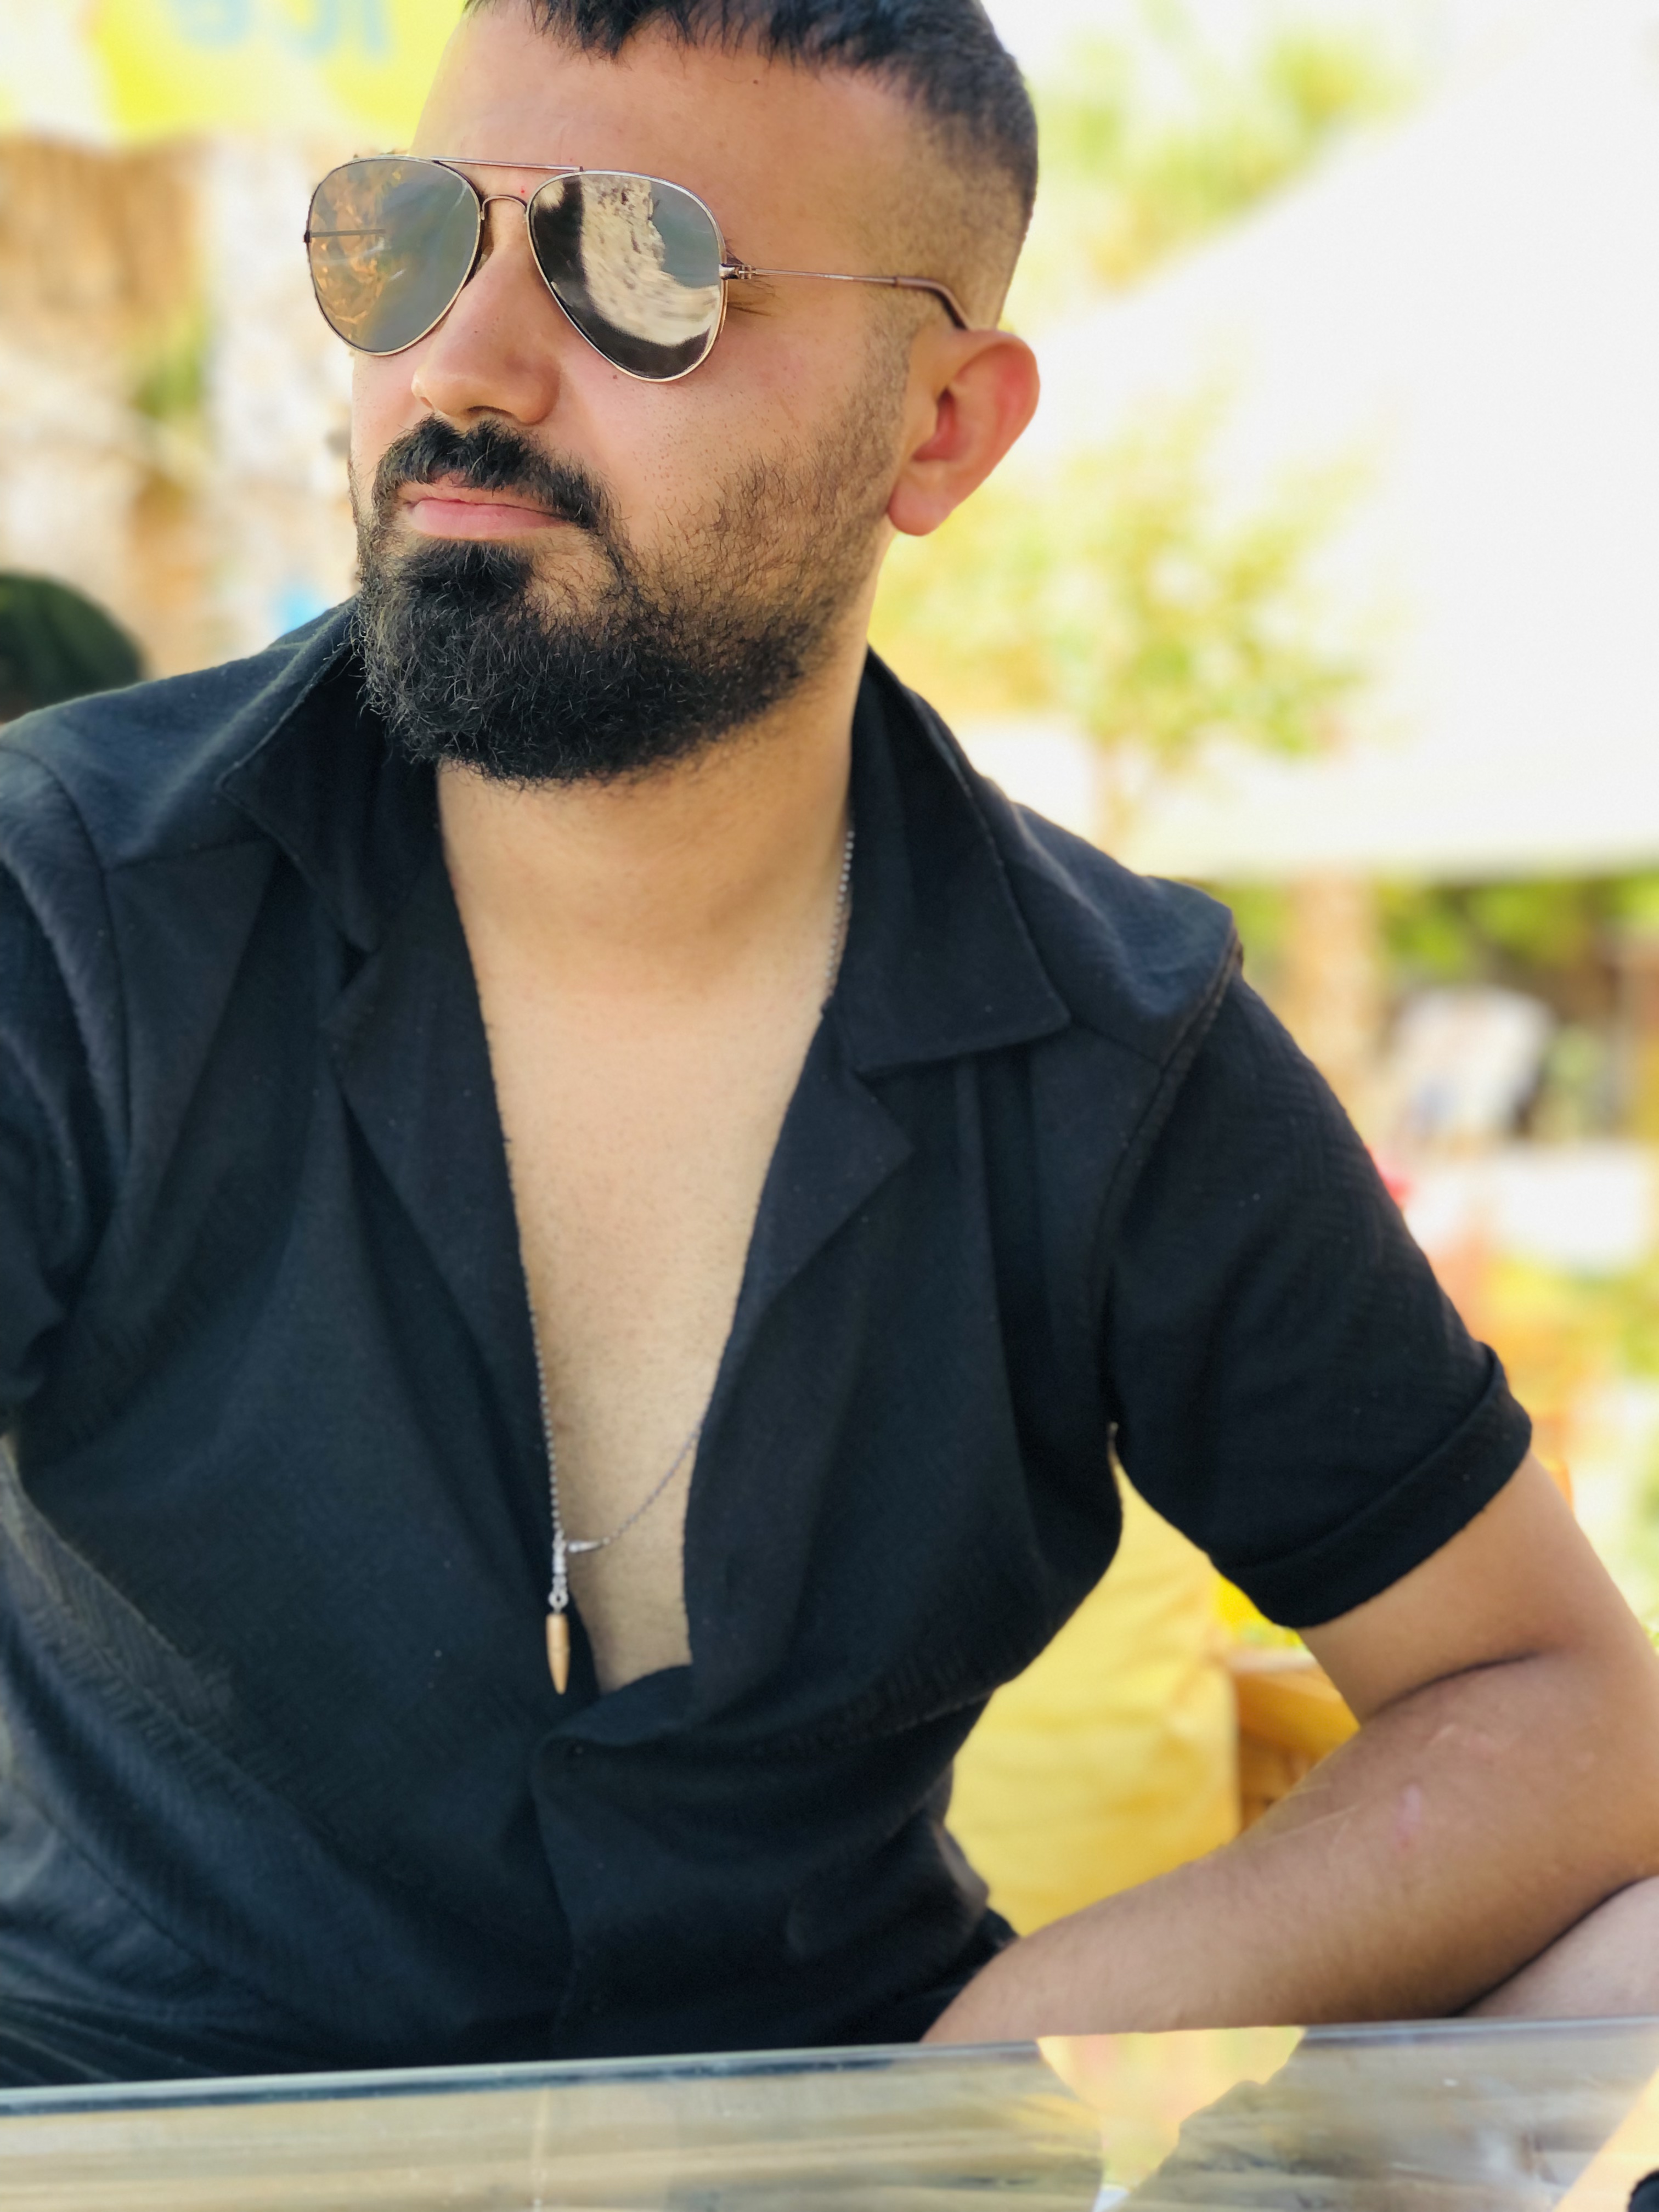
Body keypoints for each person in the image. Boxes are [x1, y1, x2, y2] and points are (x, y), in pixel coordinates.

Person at [1, 0, 1657, 2089]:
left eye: (641, 268)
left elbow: (1567, 1709)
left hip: (840, 2142)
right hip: (145, 2143)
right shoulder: (74, 906)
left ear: (940, 430)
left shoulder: (1112, 1053)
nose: (462, 369)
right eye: (411, 240)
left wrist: (1015, 2056)